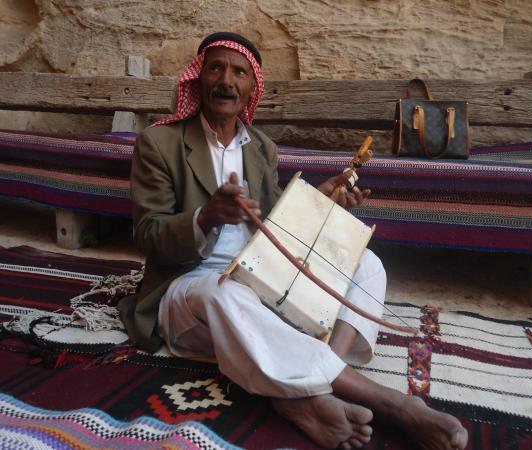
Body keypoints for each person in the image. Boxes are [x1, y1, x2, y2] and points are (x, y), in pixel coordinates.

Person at [118, 31, 468, 450]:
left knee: (367, 264)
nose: (226, 81)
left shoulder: (261, 148)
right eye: (216, 68)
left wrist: (320, 200)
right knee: (226, 294)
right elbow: (149, 236)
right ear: (198, 79)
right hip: (191, 289)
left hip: (258, 278)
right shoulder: (159, 142)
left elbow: (273, 225)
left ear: (251, 87)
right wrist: (204, 217)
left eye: (239, 72)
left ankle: (303, 392)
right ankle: (394, 404)